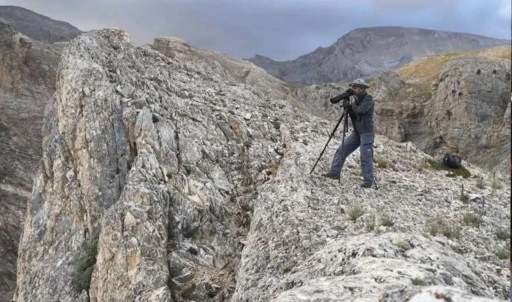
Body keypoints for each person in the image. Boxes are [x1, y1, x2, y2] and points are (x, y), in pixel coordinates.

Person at [322, 78, 375, 188]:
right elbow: (354, 113)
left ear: (364, 89)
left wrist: (351, 106)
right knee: (342, 150)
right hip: (357, 132)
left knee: (365, 156)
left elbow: (362, 110)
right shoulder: (354, 100)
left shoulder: (368, 99)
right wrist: (349, 107)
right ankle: (334, 172)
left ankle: (368, 181)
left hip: (366, 132)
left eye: (359, 87)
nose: (356, 89)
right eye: (355, 87)